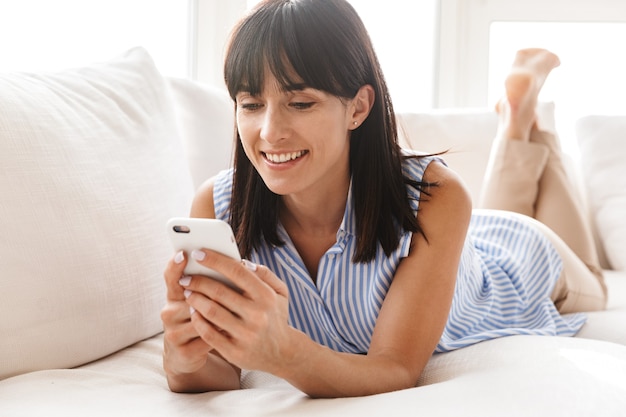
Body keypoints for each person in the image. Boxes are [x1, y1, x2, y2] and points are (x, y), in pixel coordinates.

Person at [160, 0, 607, 398]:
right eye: (251, 104)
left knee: (596, 280)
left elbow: (394, 369)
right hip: (453, 243)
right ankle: (518, 119)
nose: (270, 132)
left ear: (357, 107)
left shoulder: (438, 196)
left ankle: (521, 123)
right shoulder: (219, 209)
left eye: (300, 103)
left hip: (521, 260)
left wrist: (283, 353)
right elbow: (215, 373)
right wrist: (184, 360)